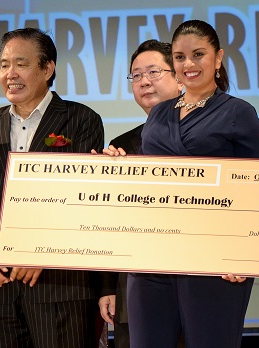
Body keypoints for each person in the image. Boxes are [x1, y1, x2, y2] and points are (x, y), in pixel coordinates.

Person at [104, 20, 259, 348]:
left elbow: (257, 188)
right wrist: (120, 169)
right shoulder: (159, 114)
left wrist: (245, 253)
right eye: (180, 57)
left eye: (198, 54)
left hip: (214, 259)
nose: (188, 64)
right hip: (152, 255)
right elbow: (152, 183)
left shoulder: (238, 112)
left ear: (218, 58)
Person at [0, 27, 104, 347]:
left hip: (60, 285)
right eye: (3, 65)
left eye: (21, 64)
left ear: (47, 68)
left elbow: (83, 196)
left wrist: (44, 249)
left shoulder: (81, 119)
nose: (10, 74)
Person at [97, 39, 182, 348]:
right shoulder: (122, 145)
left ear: (179, 76)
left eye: (154, 71)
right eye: (136, 75)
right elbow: (108, 221)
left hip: (192, 284)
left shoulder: (205, 136)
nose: (144, 81)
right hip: (133, 290)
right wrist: (109, 287)